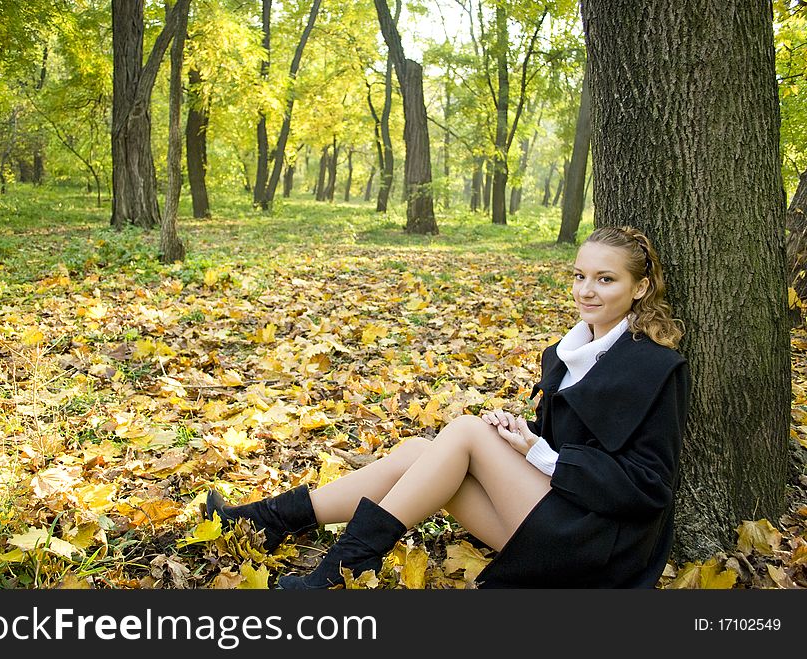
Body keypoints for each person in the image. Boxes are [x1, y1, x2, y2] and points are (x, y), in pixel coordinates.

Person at [204, 225, 690, 589]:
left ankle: (340, 572)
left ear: (640, 287)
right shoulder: (569, 352)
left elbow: (648, 487)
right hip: (557, 518)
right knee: (421, 450)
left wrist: (540, 454)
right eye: (581, 276)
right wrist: (520, 439)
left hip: (601, 548)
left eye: (606, 280)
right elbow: (560, 445)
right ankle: (270, 520)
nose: (587, 290)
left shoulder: (652, 367)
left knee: (463, 432)